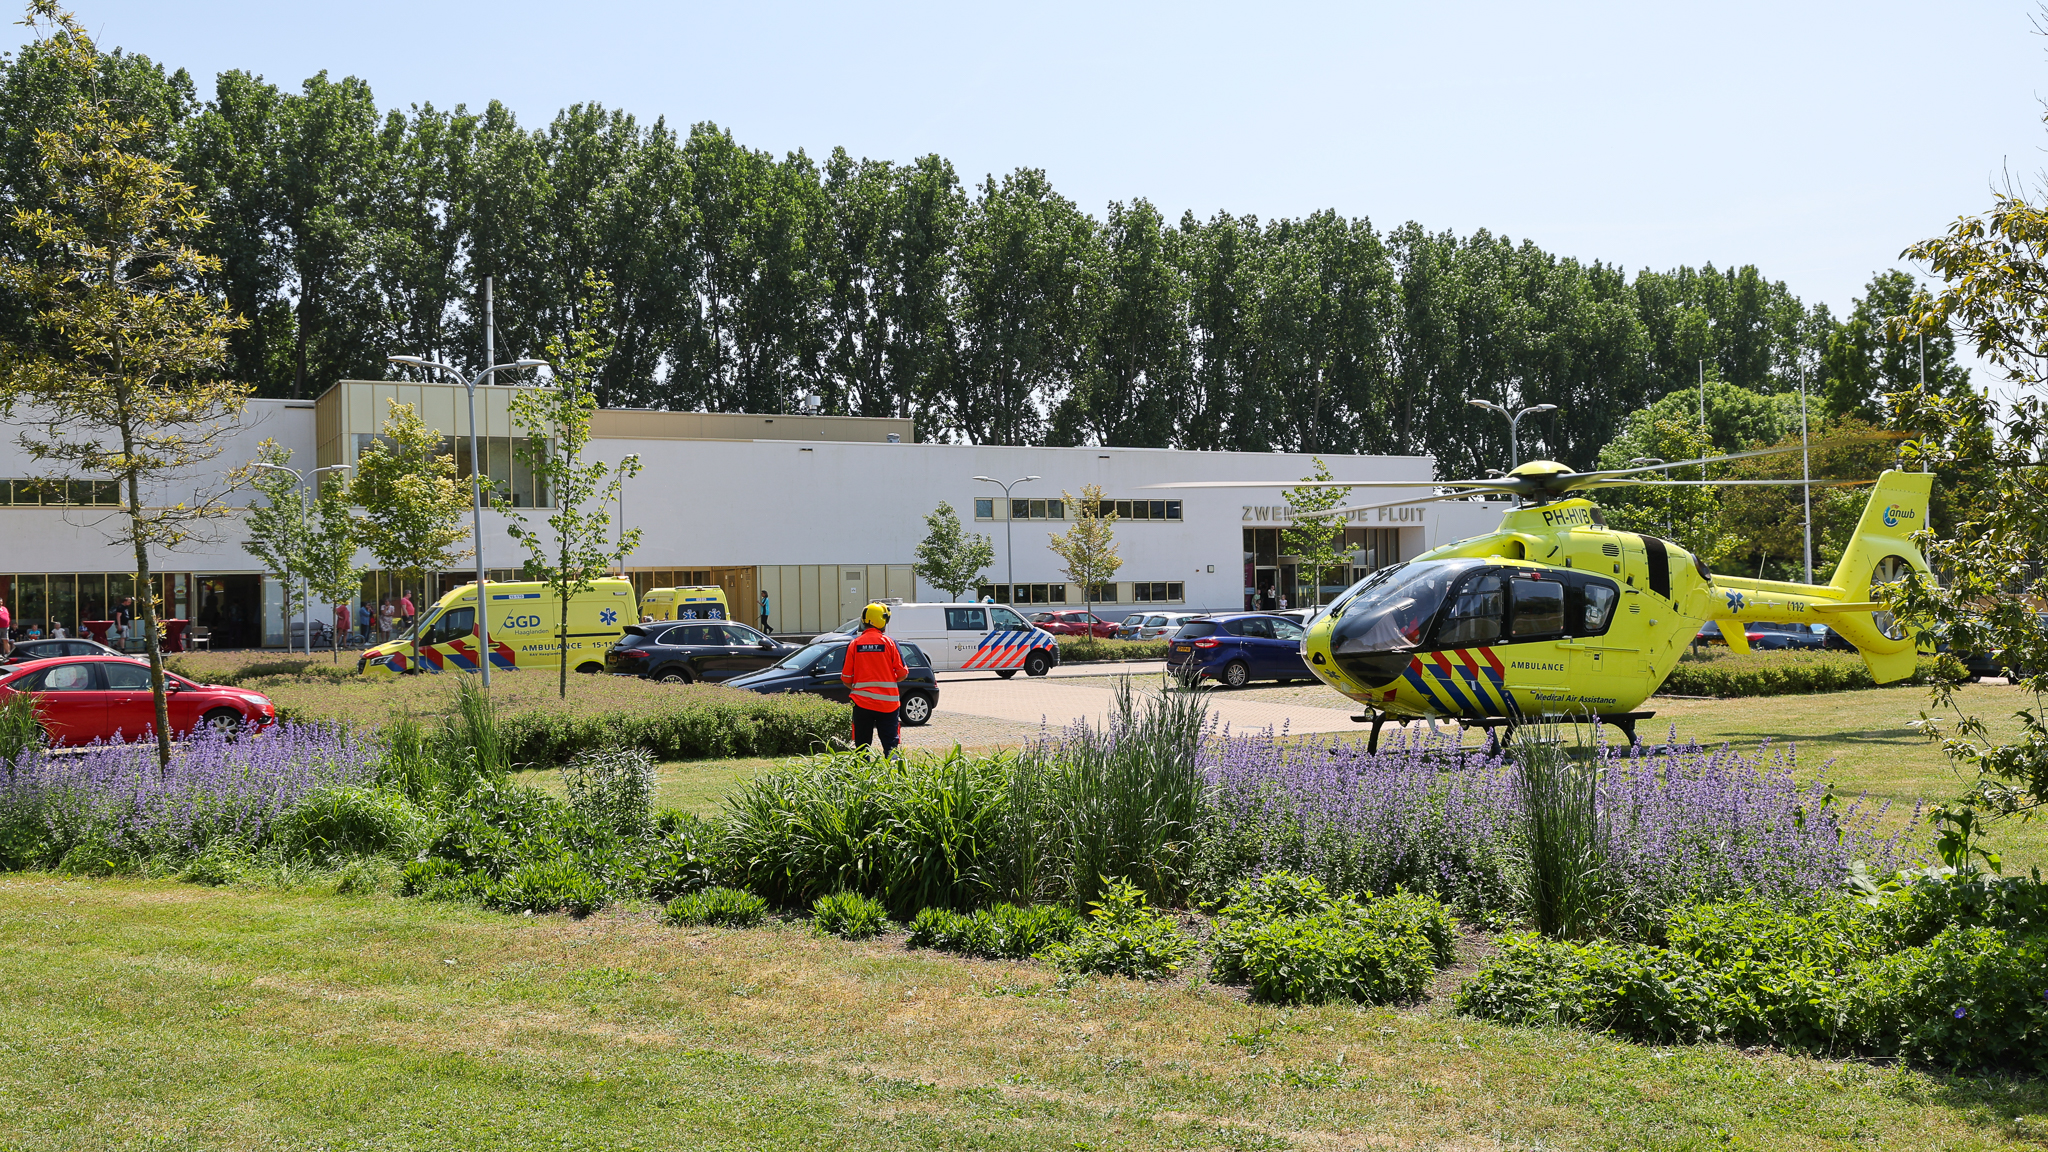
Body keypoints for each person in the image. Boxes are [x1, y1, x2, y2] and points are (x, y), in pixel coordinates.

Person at [840, 602, 908, 755]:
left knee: (861, 749)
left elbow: (845, 678)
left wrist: (861, 688)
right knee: (891, 748)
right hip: (888, 705)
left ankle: (862, 776)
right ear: (882, 621)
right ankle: (894, 775)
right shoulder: (890, 643)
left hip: (862, 705)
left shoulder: (854, 644)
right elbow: (903, 673)